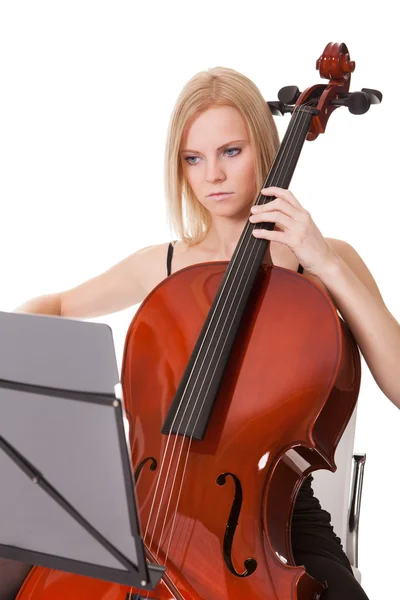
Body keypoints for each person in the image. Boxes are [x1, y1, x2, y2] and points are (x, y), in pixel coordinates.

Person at [2, 66, 400, 600]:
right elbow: (53, 306)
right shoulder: (164, 264)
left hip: (267, 521)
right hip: (147, 501)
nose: (212, 174)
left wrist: (325, 261)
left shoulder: (321, 264)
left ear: (263, 146)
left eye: (230, 152)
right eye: (194, 158)